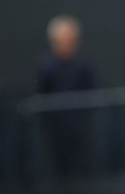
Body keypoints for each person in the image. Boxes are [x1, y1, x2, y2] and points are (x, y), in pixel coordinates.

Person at [35, 15, 97, 177]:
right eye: (62, 41)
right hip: (53, 132)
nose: (66, 45)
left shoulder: (83, 65)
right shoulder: (46, 67)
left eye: (70, 40)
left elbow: (92, 92)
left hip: (80, 129)